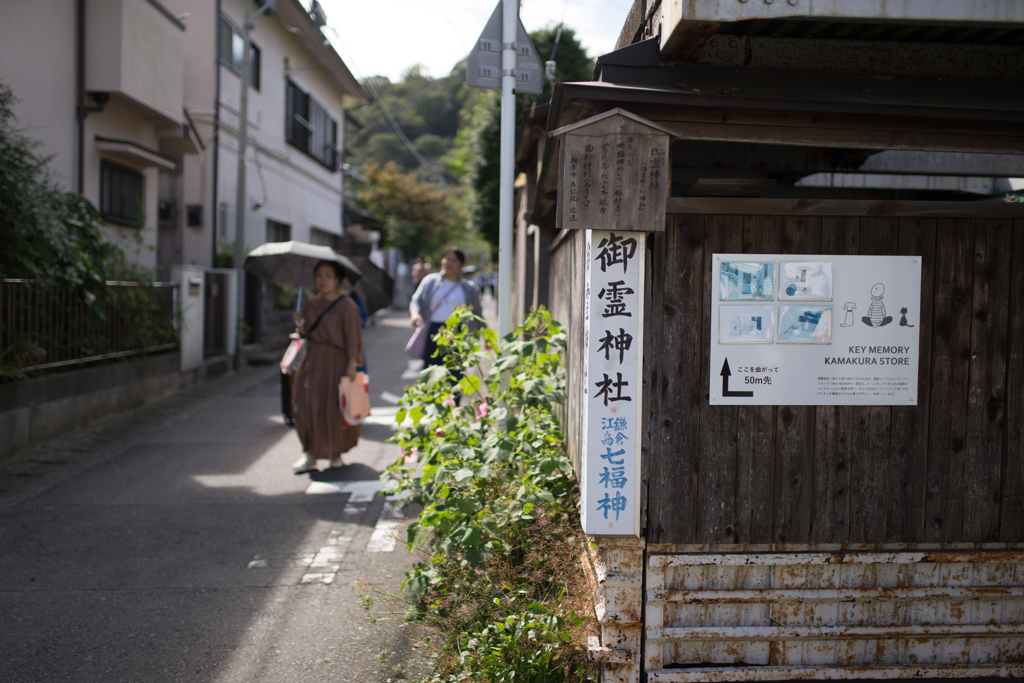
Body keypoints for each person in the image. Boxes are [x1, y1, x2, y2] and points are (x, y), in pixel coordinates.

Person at [290, 260, 364, 474]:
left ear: (338, 279)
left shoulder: (347, 306)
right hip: (312, 359)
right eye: (319, 275)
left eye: (328, 275)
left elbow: (353, 337)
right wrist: (300, 324)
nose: (322, 280)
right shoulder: (312, 303)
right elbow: (307, 334)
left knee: (332, 407)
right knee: (304, 405)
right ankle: (310, 453)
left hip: (336, 361)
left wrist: (352, 364)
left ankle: (334, 452)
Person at [410, 247, 485, 372]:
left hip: (457, 333)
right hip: (433, 331)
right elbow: (416, 300)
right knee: (431, 371)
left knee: (455, 373)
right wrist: (414, 314)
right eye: (446, 259)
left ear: (462, 264)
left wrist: (486, 336)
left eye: (454, 260)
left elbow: (477, 313)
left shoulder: (469, 288)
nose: (449, 263)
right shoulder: (430, 281)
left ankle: (455, 392)